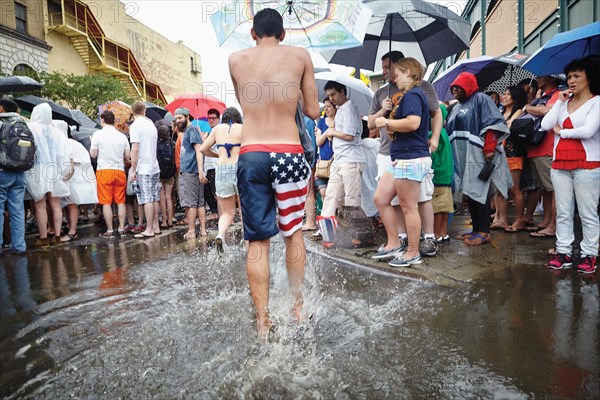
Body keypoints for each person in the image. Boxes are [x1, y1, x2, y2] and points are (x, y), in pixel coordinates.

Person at [228, 7, 319, 337]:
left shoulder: (236, 59)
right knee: (294, 233)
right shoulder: (300, 55)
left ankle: (263, 320)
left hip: (251, 154)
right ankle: (297, 306)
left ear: (253, 34)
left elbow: (244, 103)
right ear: (283, 33)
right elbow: (312, 110)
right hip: (289, 154)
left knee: (257, 241)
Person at [368, 50, 443, 257]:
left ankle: (413, 250)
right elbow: (372, 123)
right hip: (397, 156)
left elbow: (414, 122)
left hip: (411, 157)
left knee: (412, 204)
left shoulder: (415, 93)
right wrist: (385, 114)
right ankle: (396, 242)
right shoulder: (393, 93)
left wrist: (388, 122)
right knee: (383, 198)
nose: (393, 77)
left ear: (406, 71)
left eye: (397, 73)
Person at [542, 57, 599, 274]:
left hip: (588, 164)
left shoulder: (597, 102)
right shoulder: (564, 102)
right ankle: (563, 251)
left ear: (589, 77)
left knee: (587, 213)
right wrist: (558, 101)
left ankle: (590, 254)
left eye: (577, 76)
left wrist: (561, 132)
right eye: (569, 77)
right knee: (563, 212)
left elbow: (588, 131)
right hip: (560, 164)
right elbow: (546, 124)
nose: (571, 81)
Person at [446, 72, 512, 246]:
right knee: (470, 192)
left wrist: (489, 147)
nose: (454, 90)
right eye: (452, 87)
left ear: (468, 86)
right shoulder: (456, 107)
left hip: (477, 153)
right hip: (461, 155)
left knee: (479, 192)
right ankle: (476, 229)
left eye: (458, 87)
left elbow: (493, 123)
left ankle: (483, 231)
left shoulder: (481, 99)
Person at [319, 80, 365, 246]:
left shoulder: (350, 108)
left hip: (351, 159)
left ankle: (355, 235)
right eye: (329, 95)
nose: (332, 98)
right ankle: (327, 233)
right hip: (340, 160)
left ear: (342, 92)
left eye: (333, 94)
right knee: (332, 196)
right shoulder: (341, 110)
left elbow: (350, 135)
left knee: (352, 200)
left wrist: (332, 131)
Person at [25, 103, 71, 246]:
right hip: (54, 169)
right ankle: (57, 236)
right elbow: (64, 153)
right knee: (55, 204)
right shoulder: (56, 131)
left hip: (37, 169)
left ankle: (43, 237)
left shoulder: (31, 127)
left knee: (39, 204)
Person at [523, 75, 561, 238]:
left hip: (546, 147)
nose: (537, 78)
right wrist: (531, 99)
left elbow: (546, 110)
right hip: (535, 149)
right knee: (545, 189)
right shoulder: (542, 96)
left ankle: (553, 225)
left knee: (553, 189)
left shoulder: (558, 94)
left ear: (552, 78)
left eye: (541, 76)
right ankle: (546, 221)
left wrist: (527, 107)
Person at [200, 107, 243, 252]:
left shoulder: (217, 129)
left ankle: (220, 234)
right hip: (240, 168)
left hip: (222, 170)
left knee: (227, 212)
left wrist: (218, 156)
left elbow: (203, 149)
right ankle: (248, 239)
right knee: (245, 209)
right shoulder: (243, 128)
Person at [491, 86, 528, 232]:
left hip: (513, 154)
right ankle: (502, 219)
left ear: (515, 97)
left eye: (508, 94)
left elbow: (509, 127)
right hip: (500, 154)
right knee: (500, 189)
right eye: (504, 94)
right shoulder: (500, 112)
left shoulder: (518, 111)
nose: (504, 96)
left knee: (514, 189)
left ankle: (520, 220)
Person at [54, 120, 97, 242]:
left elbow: (70, 160)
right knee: (69, 204)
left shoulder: (66, 143)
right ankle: (70, 227)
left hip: (74, 178)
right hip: (75, 178)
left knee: (71, 204)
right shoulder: (72, 142)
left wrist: (70, 172)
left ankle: (72, 232)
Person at [90, 111, 130, 237]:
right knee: (120, 201)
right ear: (113, 121)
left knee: (106, 202)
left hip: (104, 171)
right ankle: (122, 228)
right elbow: (128, 155)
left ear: (102, 120)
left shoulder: (97, 135)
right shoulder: (122, 136)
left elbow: (93, 155)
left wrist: (92, 142)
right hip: (119, 171)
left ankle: (110, 230)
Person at [129, 101, 161, 238]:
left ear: (132, 111)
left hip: (143, 167)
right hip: (154, 165)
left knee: (147, 198)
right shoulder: (151, 124)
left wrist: (133, 168)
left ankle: (149, 229)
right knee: (154, 198)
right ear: (145, 110)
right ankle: (155, 226)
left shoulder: (135, 126)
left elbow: (135, 149)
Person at [176, 107, 208, 239]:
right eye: (176, 118)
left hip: (191, 171)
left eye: (180, 118)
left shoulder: (191, 129)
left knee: (191, 203)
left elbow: (198, 150)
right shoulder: (190, 130)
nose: (177, 121)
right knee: (199, 203)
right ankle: (203, 231)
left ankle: (191, 231)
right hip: (193, 171)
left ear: (187, 116)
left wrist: (200, 170)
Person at [0, 99, 27, 254]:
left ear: (1, 108)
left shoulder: (2, 124)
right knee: (17, 210)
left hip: (3, 171)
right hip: (20, 172)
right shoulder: (22, 123)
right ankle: (19, 246)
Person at [310, 98, 336, 235]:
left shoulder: (340, 121)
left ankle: (335, 223)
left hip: (336, 163)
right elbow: (319, 142)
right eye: (324, 107)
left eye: (328, 106)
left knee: (335, 195)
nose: (326, 109)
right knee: (323, 193)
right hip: (323, 164)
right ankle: (325, 225)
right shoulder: (321, 123)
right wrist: (328, 132)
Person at [156, 125, 176, 229]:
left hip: (159, 173)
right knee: (169, 196)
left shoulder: (156, 145)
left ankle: (164, 220)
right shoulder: (173, 143)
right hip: (170, 174)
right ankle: (170, 219)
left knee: (162, 197)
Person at [204, 108, 221, 216]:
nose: (211, 120)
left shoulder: (219, 131)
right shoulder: (209, 132)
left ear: (218, 119)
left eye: (213, 118)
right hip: (209, 167)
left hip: (216, 166)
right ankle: (218, 213)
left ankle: (222, 214)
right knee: (211, 192)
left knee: (217, 193)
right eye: (209, 118)